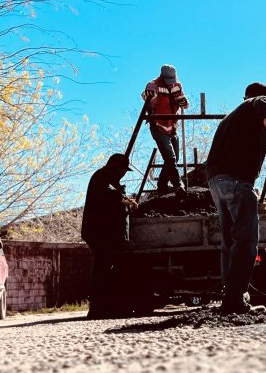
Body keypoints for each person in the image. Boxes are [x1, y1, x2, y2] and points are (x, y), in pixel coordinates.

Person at [205, 82, 266, 315]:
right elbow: (265, 110)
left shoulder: (228, 120)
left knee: (230, 242)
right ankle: (234, 299)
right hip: (237, 181)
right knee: (246, 242)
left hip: (215, 182)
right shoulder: (258, 101)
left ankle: (229, 296)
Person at [81, 153, 137, 319]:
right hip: (100, 233)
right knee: (103, 268)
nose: (124, 173)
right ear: (116, 167)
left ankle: (108, 305)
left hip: (105, 234)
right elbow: (107, 193)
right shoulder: (102, 177)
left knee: (106, 268)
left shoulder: (108, 179)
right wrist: (124, 200)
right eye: (123, 170)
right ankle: (98, 308)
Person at [141, 64, 190, 195]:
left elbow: (184, 102)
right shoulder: (153, 85)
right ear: (162, 76)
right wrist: (150, 96)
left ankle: (162, 185)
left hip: (173, 127)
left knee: (175, 158)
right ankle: (178, 185)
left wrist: (184, 102)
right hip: (158, 126)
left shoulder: (177, 86)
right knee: (170, 158)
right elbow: (147, 100)